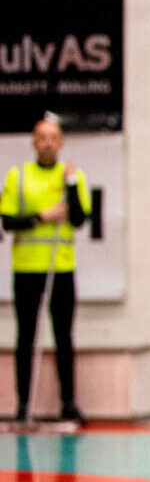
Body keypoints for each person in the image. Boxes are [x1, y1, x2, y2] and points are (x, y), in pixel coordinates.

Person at [2, 114, 90, 422]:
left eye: (53, 138)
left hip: (60, 267)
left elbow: (79, 219)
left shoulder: (73, 177)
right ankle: (23, 404)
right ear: (34, 142)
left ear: (61, 142)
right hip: (27, 268)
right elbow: (7, 221)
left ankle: (68, 403)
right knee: (25, 336)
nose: (48, 143)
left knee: (63, 336)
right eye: (42, 138)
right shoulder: (19, 177)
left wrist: (70, 185)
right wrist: (42, 217)